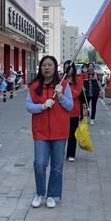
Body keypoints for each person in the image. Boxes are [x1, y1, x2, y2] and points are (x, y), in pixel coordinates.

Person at [25, 55, 74, 208]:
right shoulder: (34, 86)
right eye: (44, 65)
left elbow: (70, 106)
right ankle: (40, 193)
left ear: (55, 68)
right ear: (40, 68)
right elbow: (28, 106)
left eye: (50, 65)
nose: (46, 68)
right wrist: (42, 106)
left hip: (60, 131)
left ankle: (52, 194)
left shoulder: (64, 85)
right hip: (40, 132)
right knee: (39, 164)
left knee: (57, 165)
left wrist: (60, 95)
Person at [62, 61, 84, 162]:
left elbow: (75, 94)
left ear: (73, 68)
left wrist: (66, 88)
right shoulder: (61, 79)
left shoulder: (78, 79)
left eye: (69, 67)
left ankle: (71, 154)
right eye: (66, 68)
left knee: (72, 134)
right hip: (63, 111)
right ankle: (60, 152)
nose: (68, 70)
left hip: (74, 111)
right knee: (62, 133)